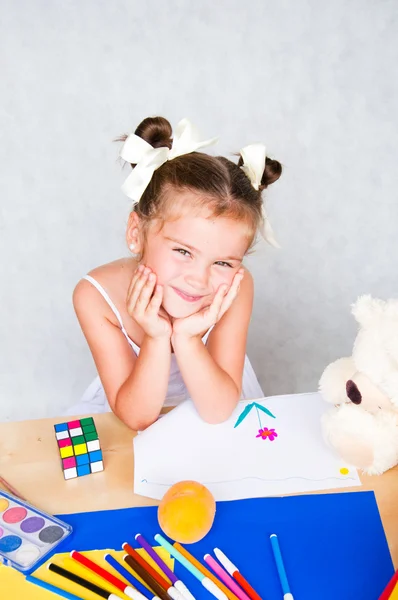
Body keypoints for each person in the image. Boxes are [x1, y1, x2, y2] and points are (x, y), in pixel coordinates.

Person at [70, 117, 282, 430]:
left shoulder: (235, 288)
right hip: (133, 407)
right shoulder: (95, 296)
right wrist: (157, 338)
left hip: (215, 401)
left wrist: (187, 338)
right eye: (183, 252)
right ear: (136, 233)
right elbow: (137, 417)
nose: (199, 279)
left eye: (223, 262)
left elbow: (218, 411)